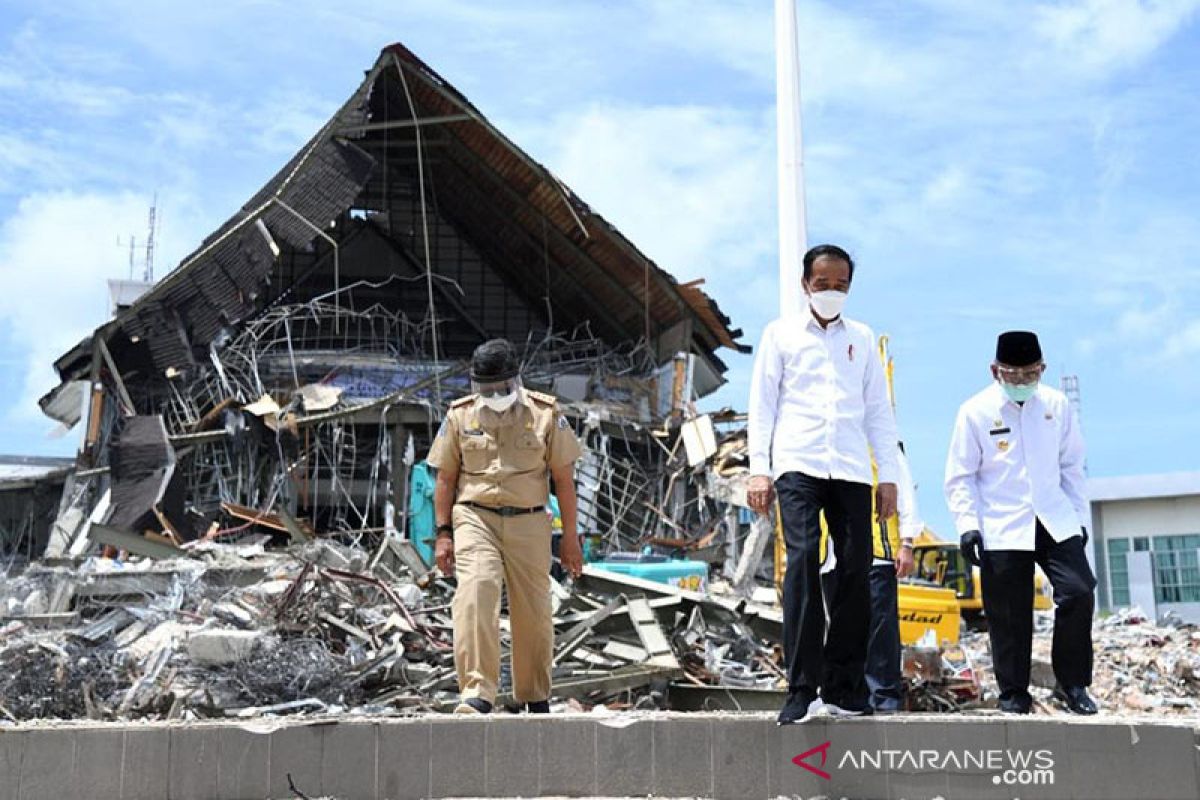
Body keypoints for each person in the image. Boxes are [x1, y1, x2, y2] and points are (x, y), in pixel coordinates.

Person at [748, 244, 902, 724]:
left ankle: (844, 687)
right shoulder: (781, 335)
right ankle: (800, 688)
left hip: (852, 470)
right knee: (803, 563)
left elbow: (878, 411)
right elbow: (763, 404)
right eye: (823, 284)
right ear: (805, 285)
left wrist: (889, 478)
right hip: (798, 464)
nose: (832, 292)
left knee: (856, 571)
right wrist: (759, 468)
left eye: (840, 285)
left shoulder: (862, 338)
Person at [426, 339, 584, 715]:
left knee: (533, 608)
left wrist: (571, 540)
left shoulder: (545, 413)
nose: (493, 395)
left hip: (529, 519)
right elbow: (446, 479)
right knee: (476, 592)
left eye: (500, 388)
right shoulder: (460, 415)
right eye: (485, 389)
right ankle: (477, 691)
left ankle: (533, 694)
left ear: (515, 379)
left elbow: (563, 480)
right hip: (474, 516)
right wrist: (443, 534)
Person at [944, 330, 1097, 715]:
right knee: (1008, 613)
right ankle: (1013, 692)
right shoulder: (975, 411)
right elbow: (960, 476)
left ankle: (1072, 683)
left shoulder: (1057, 406)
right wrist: (967, 525)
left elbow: (1072, 467)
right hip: (1002, 521)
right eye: (1014, 375)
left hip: (1053, 516)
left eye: (1031, 374)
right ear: (995, 370)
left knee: (1079, 591)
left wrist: (1078, 519)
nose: (1023, 383)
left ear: (1042, 369)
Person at [819, 445, 919, 714]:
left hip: (877, 551)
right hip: (832, 557)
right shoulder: (829, 444)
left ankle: (883, 696)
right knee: (841, 628)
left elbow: (906, 494)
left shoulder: (883, 447)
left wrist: (907, 543)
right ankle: (849, 694)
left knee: (879, 630)